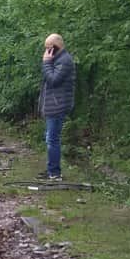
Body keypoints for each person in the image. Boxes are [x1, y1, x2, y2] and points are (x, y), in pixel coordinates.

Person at [40, 32, 76, 181]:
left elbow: (53, 80)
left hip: (58, 105)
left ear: (56, 46)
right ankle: (51, 169)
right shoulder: (57, 59)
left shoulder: (65, 61)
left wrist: (46, 63)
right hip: (52, 104)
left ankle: (54, 173)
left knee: (52, 139)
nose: (47, 51)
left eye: (49, 48)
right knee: (50, 138)